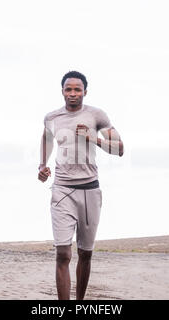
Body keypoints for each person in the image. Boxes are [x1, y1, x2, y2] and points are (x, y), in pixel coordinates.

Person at [37, 70, 124, 300]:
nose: (73, 93)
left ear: (85, 91)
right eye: (68, 89)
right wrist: (41, 165)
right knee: (63, 254)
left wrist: (92, 138)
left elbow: (120, 149)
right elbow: (46, 138)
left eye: (78, 89)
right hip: (62, 190)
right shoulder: (52, 118)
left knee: (85, 254)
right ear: (62, 91)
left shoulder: (97, 116)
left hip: (90, 191)